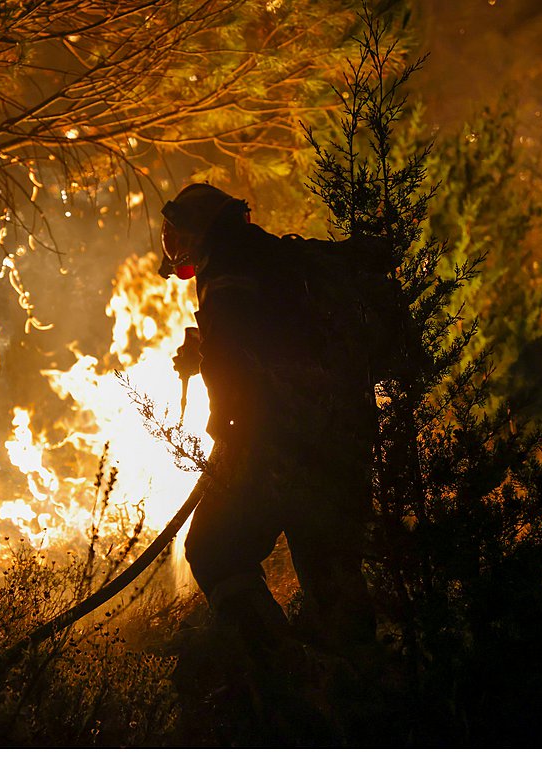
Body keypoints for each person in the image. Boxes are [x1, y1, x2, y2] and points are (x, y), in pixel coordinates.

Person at [158, 182, 396, 662]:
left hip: (280, 439)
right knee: (332, 573)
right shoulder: (283, 258)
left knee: (214, 549)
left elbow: (234, 354)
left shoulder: (226, 267)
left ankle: (282, 673)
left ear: (194, 231)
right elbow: (275, 337)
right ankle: (365, 690)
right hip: (345, 433)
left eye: (177, 238)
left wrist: (226, 429)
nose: (178, 252)